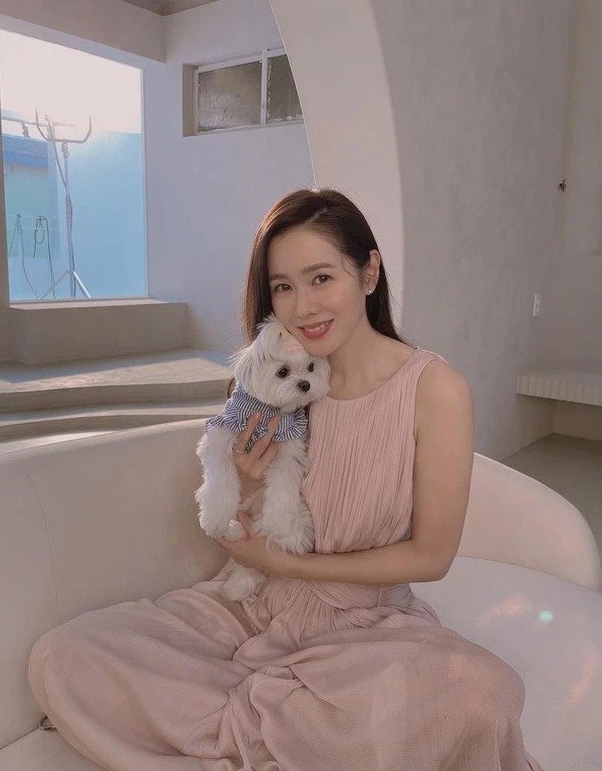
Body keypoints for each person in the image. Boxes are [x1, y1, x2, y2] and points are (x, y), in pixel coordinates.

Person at [28, 187, 544, 771]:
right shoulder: (268, 386)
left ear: (368, 271)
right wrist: (246, 491)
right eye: (283, 287)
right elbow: (239, 523)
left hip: (366, 629)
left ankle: (256, 725)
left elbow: (431, 557)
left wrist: (292, 565)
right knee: (62, 654)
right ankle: (285, 729)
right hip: (251, 607)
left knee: (480, 693)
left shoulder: (436, 390)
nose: (303, 306)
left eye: (321, 278)